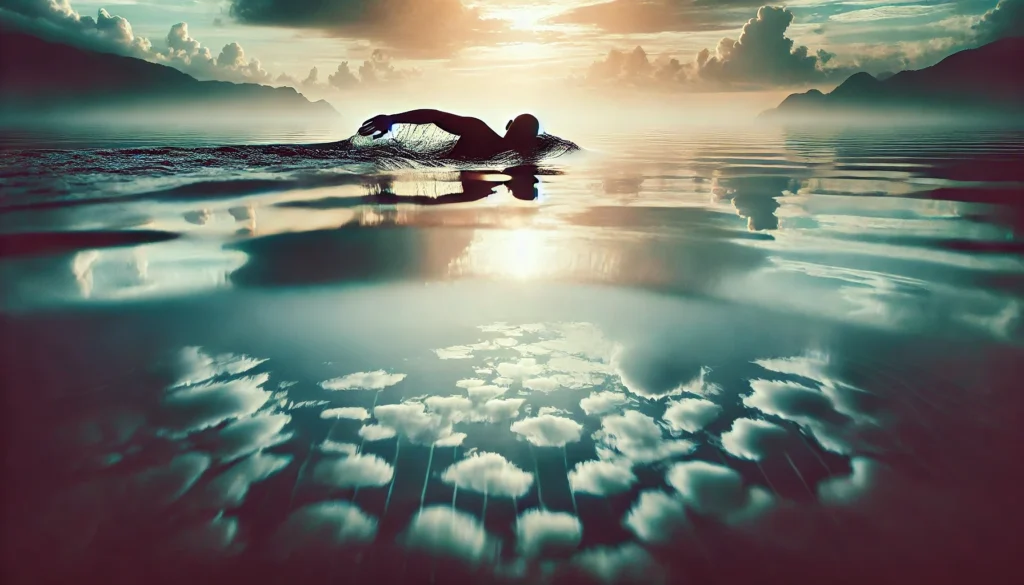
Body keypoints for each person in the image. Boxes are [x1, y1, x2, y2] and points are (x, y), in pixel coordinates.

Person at [358, 109, 541, 160]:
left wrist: (392, 119)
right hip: (424, 163)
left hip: (422, 162)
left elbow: (435, 116)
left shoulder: (479, 131)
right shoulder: (528, 156)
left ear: (508, 126)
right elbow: (435, 117)